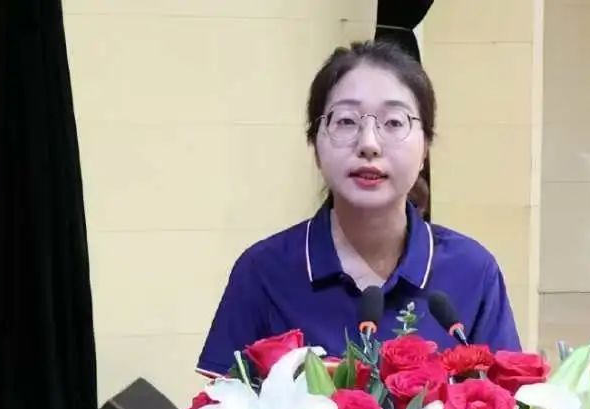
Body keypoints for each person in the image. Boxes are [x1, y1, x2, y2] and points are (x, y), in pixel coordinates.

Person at [197, 40, 521, 377]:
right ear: (315, 143)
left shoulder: (473, 271)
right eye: (346, 121)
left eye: (394, 122)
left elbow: (508, 403)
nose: (368, 144)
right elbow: (222, 407)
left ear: (425, 146)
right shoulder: (262, 271)